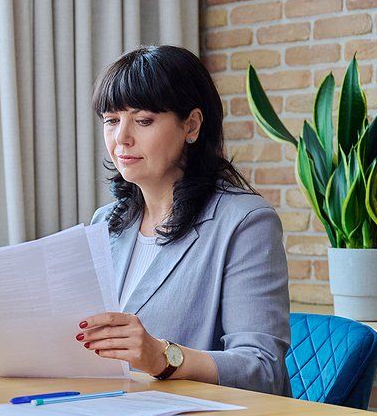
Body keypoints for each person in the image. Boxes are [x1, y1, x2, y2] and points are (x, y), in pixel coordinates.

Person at [77, 45, 291, 395]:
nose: (121, 138)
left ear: (191, 125)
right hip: (113, 412)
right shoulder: (106, 221)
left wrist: (164, 357)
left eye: (143, 120)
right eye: (112, 120)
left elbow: (262, 368)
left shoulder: (246, 222)